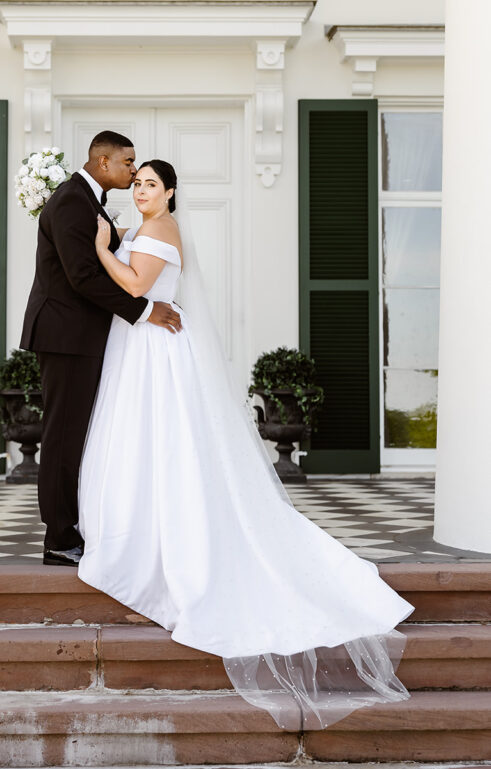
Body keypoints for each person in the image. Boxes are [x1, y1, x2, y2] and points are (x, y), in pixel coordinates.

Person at [77, 158, 415, 729]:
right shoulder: (144, 228)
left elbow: (135, 285)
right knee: (140, 442)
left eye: (150, 184)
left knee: (163, 441)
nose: (140, 191)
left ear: (171, 192)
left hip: (156, 352)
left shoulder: (159, 230)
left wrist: (100, 248)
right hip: (140, 345)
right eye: (136, 184)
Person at [19, 133, 182, 567]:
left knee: (73, 435)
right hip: (66, 337)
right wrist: (145, 309)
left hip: (75, 336)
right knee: (62, 437)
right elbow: (83, 278)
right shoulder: (73, 200)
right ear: (104, 161)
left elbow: (104, 246)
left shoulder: (83, 199)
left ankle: (71, 530)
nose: (133, 173)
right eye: (129, 164)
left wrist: (135, 235)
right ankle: (58, 539)